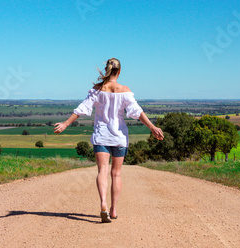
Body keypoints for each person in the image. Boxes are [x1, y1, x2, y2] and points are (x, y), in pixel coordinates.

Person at [54, 58, 164, 223]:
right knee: (116, 174)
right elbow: (137, 112)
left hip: (101, 136)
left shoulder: (97, 90)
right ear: (119, 72)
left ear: (107, 70)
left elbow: (82, 109)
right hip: (119, 138)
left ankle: (103, 203)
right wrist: (152, 127)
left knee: (102, 172)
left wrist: (65, 124)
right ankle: (113, 210)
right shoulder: (125, 90)